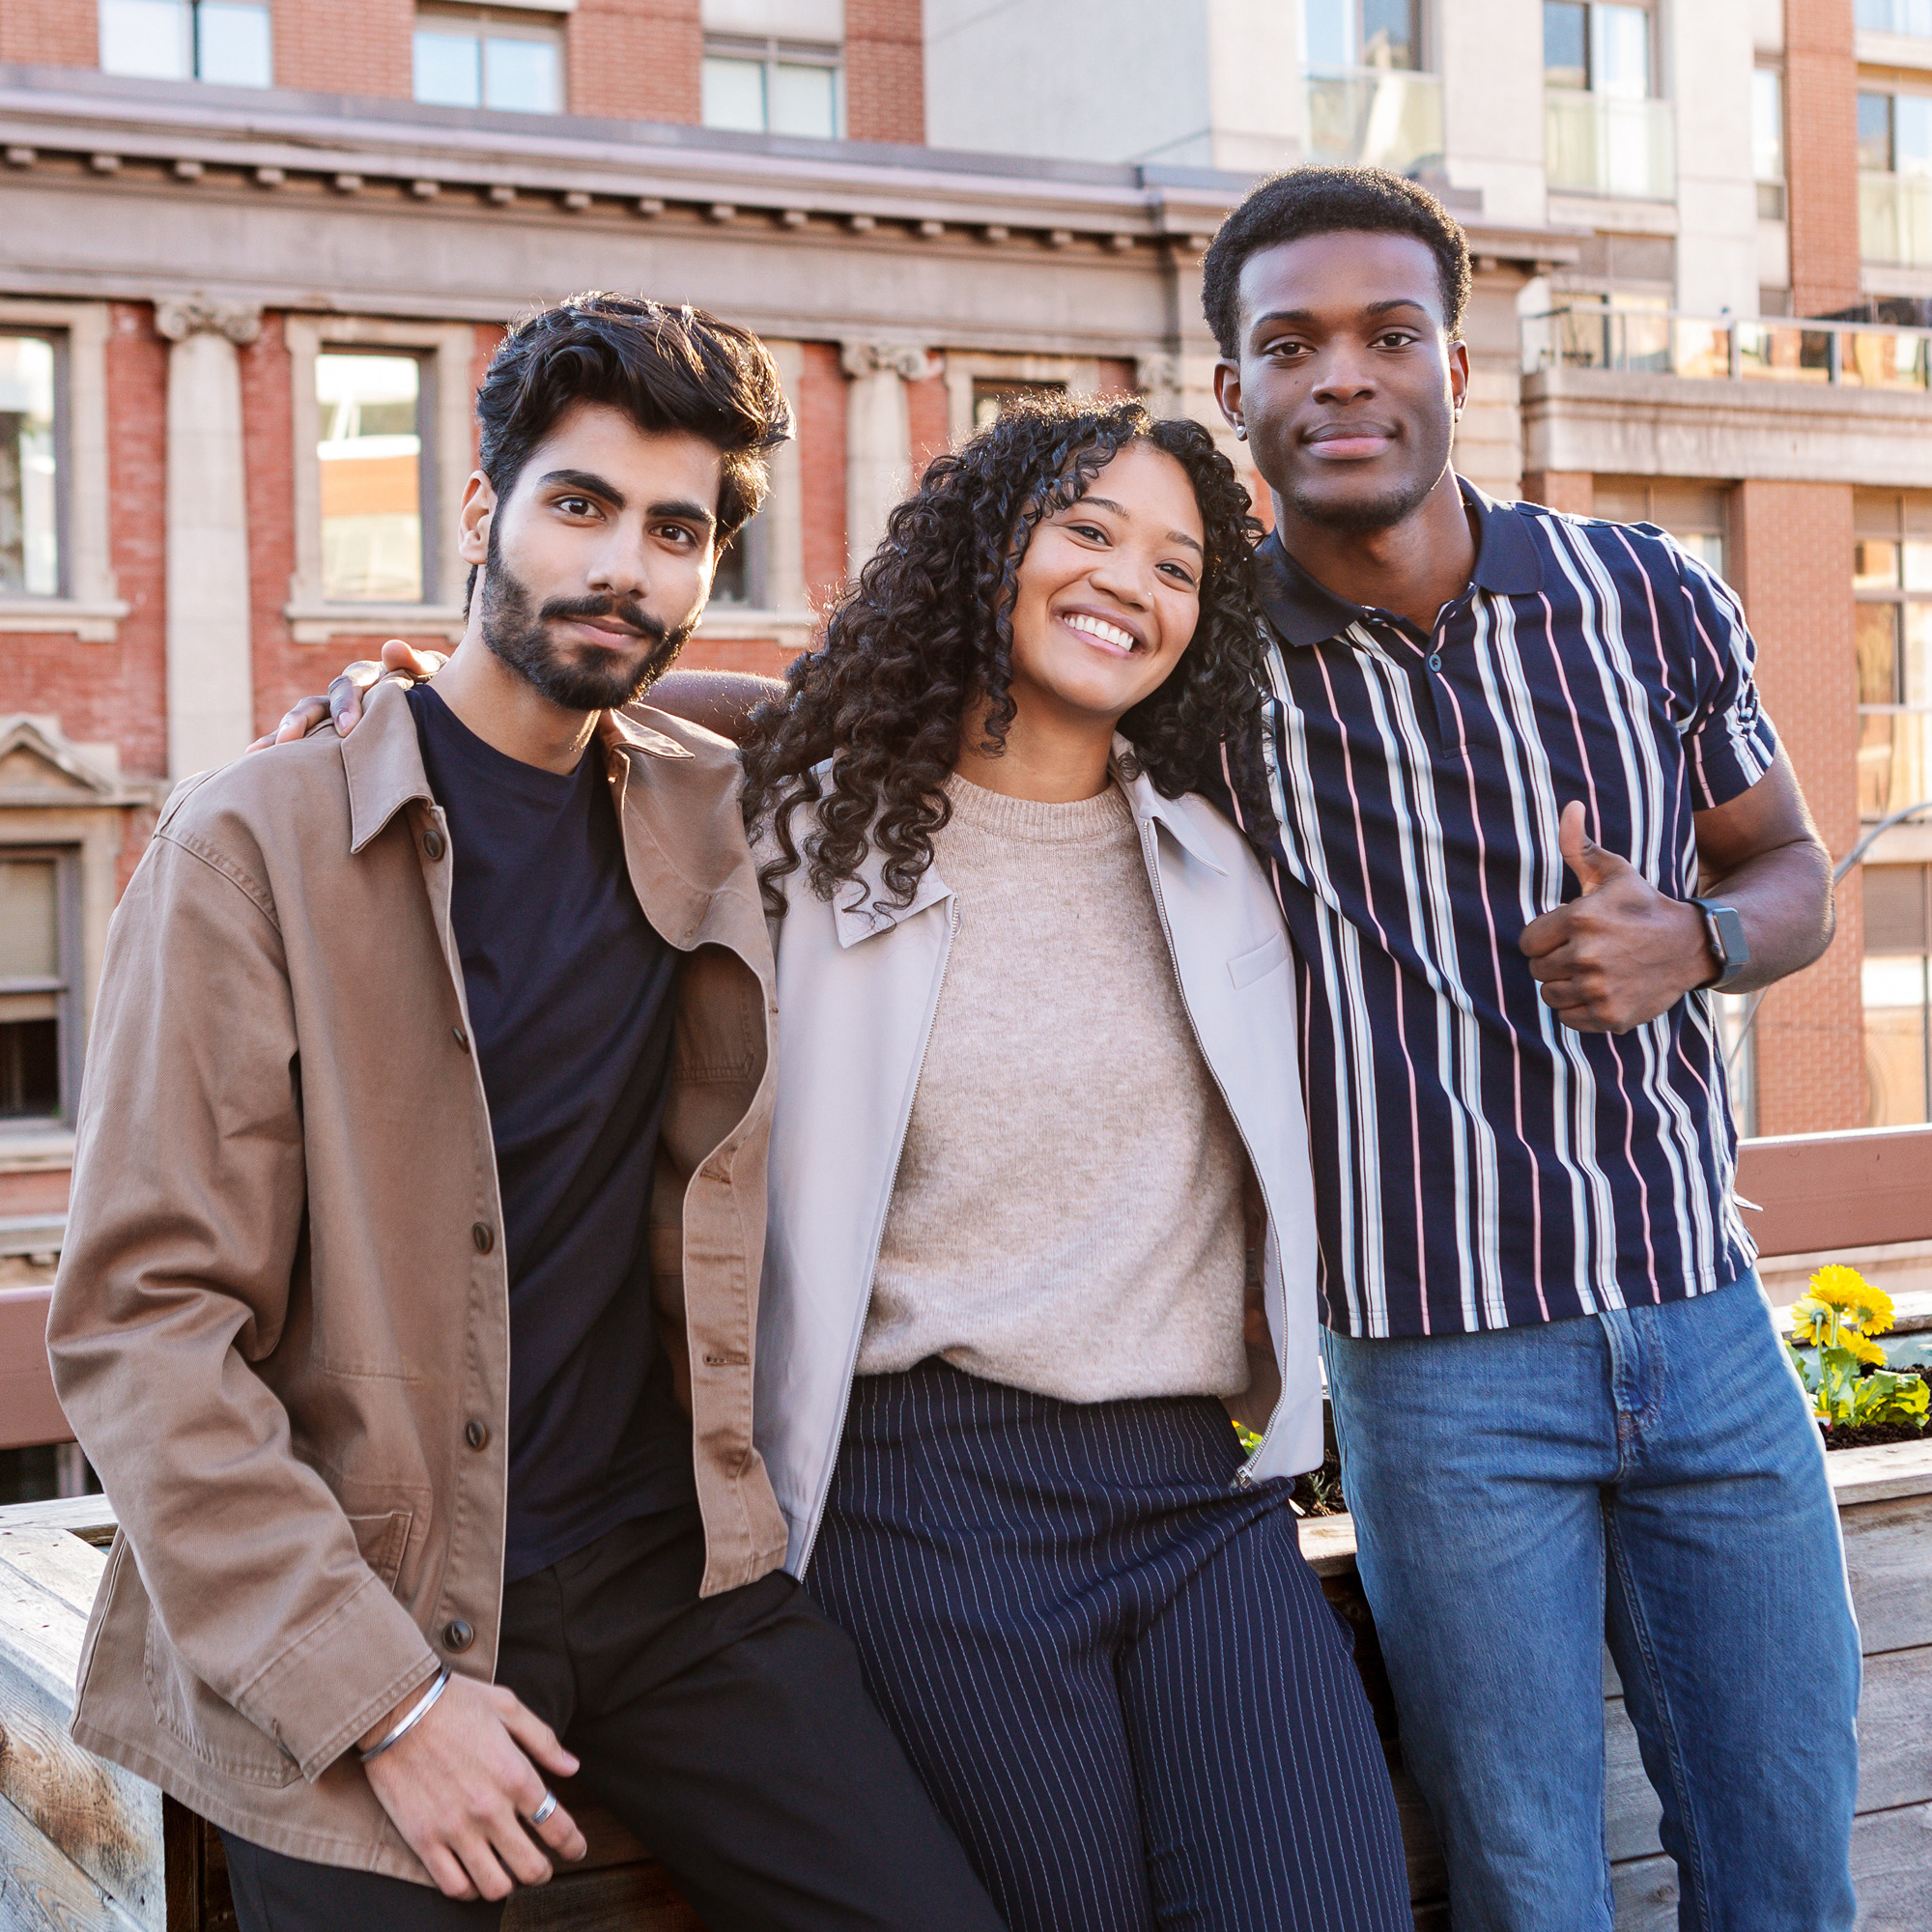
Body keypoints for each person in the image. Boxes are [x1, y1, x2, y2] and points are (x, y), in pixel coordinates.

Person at [281, 396, 1413, 1931]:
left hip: (1195, 1497)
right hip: (923, 1503)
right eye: (1085, 530)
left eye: (1177, 565)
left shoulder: (1229, 853)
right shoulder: (800, 842)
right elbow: (611, 727)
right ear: (984, 553)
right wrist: (400, 691)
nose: (1126, 583)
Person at [47, 294, 1006, 1932]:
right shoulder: (251, 848)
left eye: (676, 530)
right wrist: (388, 1704)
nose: (622, 566)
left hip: (673, 1583)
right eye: (579, 505)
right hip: (368, 1598)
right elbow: (143, 1328)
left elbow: (910, 715)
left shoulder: (720, 810)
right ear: (481, 510)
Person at [1191, 168, 1860, 1930]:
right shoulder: (1201, 661)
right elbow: (863, 696)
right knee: (1524, 1885)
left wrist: (1697, 941)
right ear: (1231, 397)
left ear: (1456, 369)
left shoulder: (1649, 595)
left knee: (1790, 1860)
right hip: (1435, 1371)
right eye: (1292, 344)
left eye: (1387, 334)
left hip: (1711, 1330)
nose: (1343, 376)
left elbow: (1793, 872)